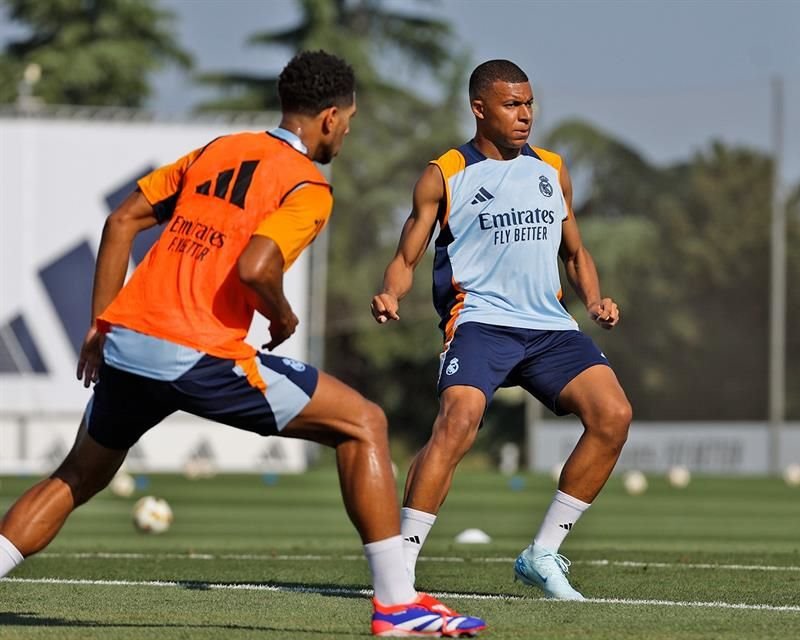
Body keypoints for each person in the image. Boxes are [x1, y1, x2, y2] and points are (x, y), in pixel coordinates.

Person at [0, 50, 485, 638]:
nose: (348, 132)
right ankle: (397, 605)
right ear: (330, 118)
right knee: (363, 423)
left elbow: (121, 221)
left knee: (76, 476)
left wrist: (103, 323)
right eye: (349, 121)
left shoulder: (219, 150)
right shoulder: (308, 184)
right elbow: (257, 267)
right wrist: (280, 315)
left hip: (130, 343)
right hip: (196, 351)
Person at [371, 59, 632, 600]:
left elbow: (575, 252)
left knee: (614, 416)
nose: (525, 115)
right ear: (479, 108)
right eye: (512, 105)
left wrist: (595, 299)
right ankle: (402, 568)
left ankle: (542, 554)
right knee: (459, 420)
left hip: (549, 328)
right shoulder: (444, 173)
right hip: (481, 323)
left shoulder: (552, 169)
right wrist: (391, 293)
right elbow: (408, 252)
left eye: (530, 103)